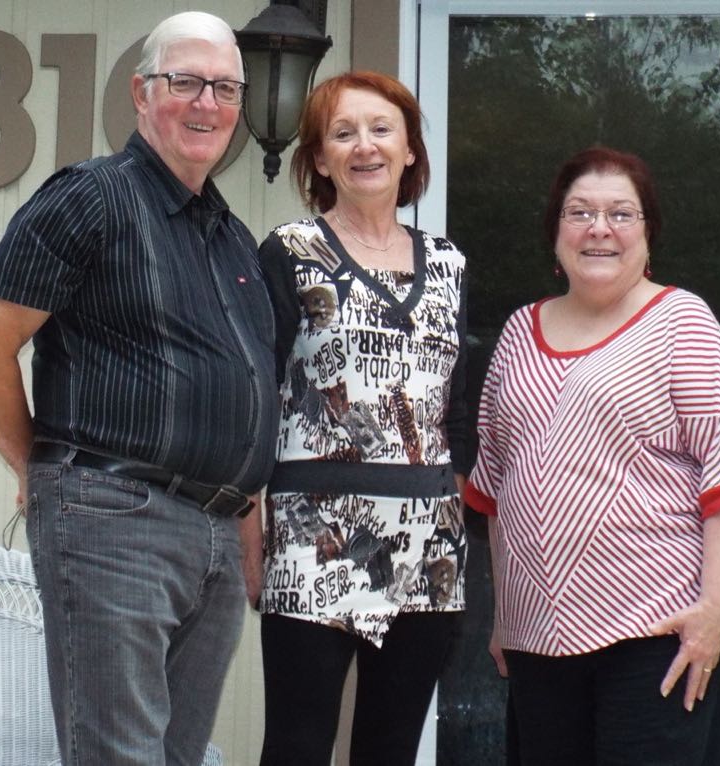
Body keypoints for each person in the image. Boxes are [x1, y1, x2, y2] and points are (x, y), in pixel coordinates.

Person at [0, 12, 278, 765]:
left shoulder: (228, 235)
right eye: (184, 81)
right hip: (114, 518)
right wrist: (38, 468)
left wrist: (246, 532)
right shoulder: (89, 198)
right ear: (140, 92)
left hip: (215, 539)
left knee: (175, 756)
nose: (206, 103)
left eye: (225, 88)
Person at [465, 146, 720, 766]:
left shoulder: (683, 323)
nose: (599, 228)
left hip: (660, 632)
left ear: (648, 232)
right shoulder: (516, 334)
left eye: (621, 214)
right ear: (555, 233)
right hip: (538, 639)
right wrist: (504, 616)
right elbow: (497, 491)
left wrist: (713, 611)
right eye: (579, 212)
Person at [255, 71, 470, 766]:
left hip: (428, 540)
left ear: (410, 150)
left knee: (390, 749)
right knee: (297, 745)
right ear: (319, 159)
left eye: (382, 130)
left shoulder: (449, 263)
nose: (364, 147)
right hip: (313, 532)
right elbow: (255, 397)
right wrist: (245, 535)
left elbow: (455, 408)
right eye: (342, 134)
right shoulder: (288, 253)